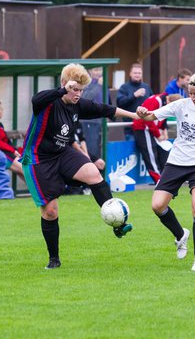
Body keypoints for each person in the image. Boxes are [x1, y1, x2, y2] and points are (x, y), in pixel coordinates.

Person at [20, 63, 140, 269]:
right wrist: (62, 90)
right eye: (74, 89)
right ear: (64, 84)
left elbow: (104, 109)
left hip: (62, 153)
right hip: (39, 159)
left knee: (93, 172)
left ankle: (117, 224)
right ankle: (54, 259)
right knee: (51, 212)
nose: (78, 94)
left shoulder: (77, 104)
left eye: (81, 90)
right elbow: (36, 99)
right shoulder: (48, 102)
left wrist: (135, 115)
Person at [136, 71, 195, 272]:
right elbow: (152, 116)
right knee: (157, 206)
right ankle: (180, 235)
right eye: (190, 93)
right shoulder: (182, 104)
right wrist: (144, 113)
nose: (193, 98)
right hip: (176, 162)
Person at [132, 93, 182, 184]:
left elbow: (163, 118)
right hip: (143, 129)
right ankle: (159, 179)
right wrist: (158, 134)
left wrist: (164, 130)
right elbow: (146, 119)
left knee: (161, 153)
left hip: (151, 130)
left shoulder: (163, 102)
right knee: (151, 154)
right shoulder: (156, 101)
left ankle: (165, 177)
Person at [116, 63, 153, 140]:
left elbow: (153, 103)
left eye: (139, 73)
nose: (137, 75)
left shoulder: (146, 87)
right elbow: (120, 103)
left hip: (146, 126)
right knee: (132, 151)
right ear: (130, 74)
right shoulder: (124, 87)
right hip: (130, 127)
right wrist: (134, 95)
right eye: (135, 73)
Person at [81, 67, 110, 158]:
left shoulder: (103, 85)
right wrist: (98, 86)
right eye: (95, 70)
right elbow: (86, 98)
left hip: (102, 121)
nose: (99, 73)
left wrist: (109, 116)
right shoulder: (86, 84)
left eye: (100, 70)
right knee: (92, 148)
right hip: (91, 122)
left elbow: (108, 101)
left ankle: (101, 169)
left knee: (103, 147)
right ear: (90, 71)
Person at [0, 101, 25, 182]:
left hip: (6, 152)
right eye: (1, 109)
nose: (2, 111)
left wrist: (15, 150)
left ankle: (37, 193)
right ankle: (43, 193)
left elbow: (6, 141)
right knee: (24, 170)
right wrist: (13, 150)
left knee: (23, 171)